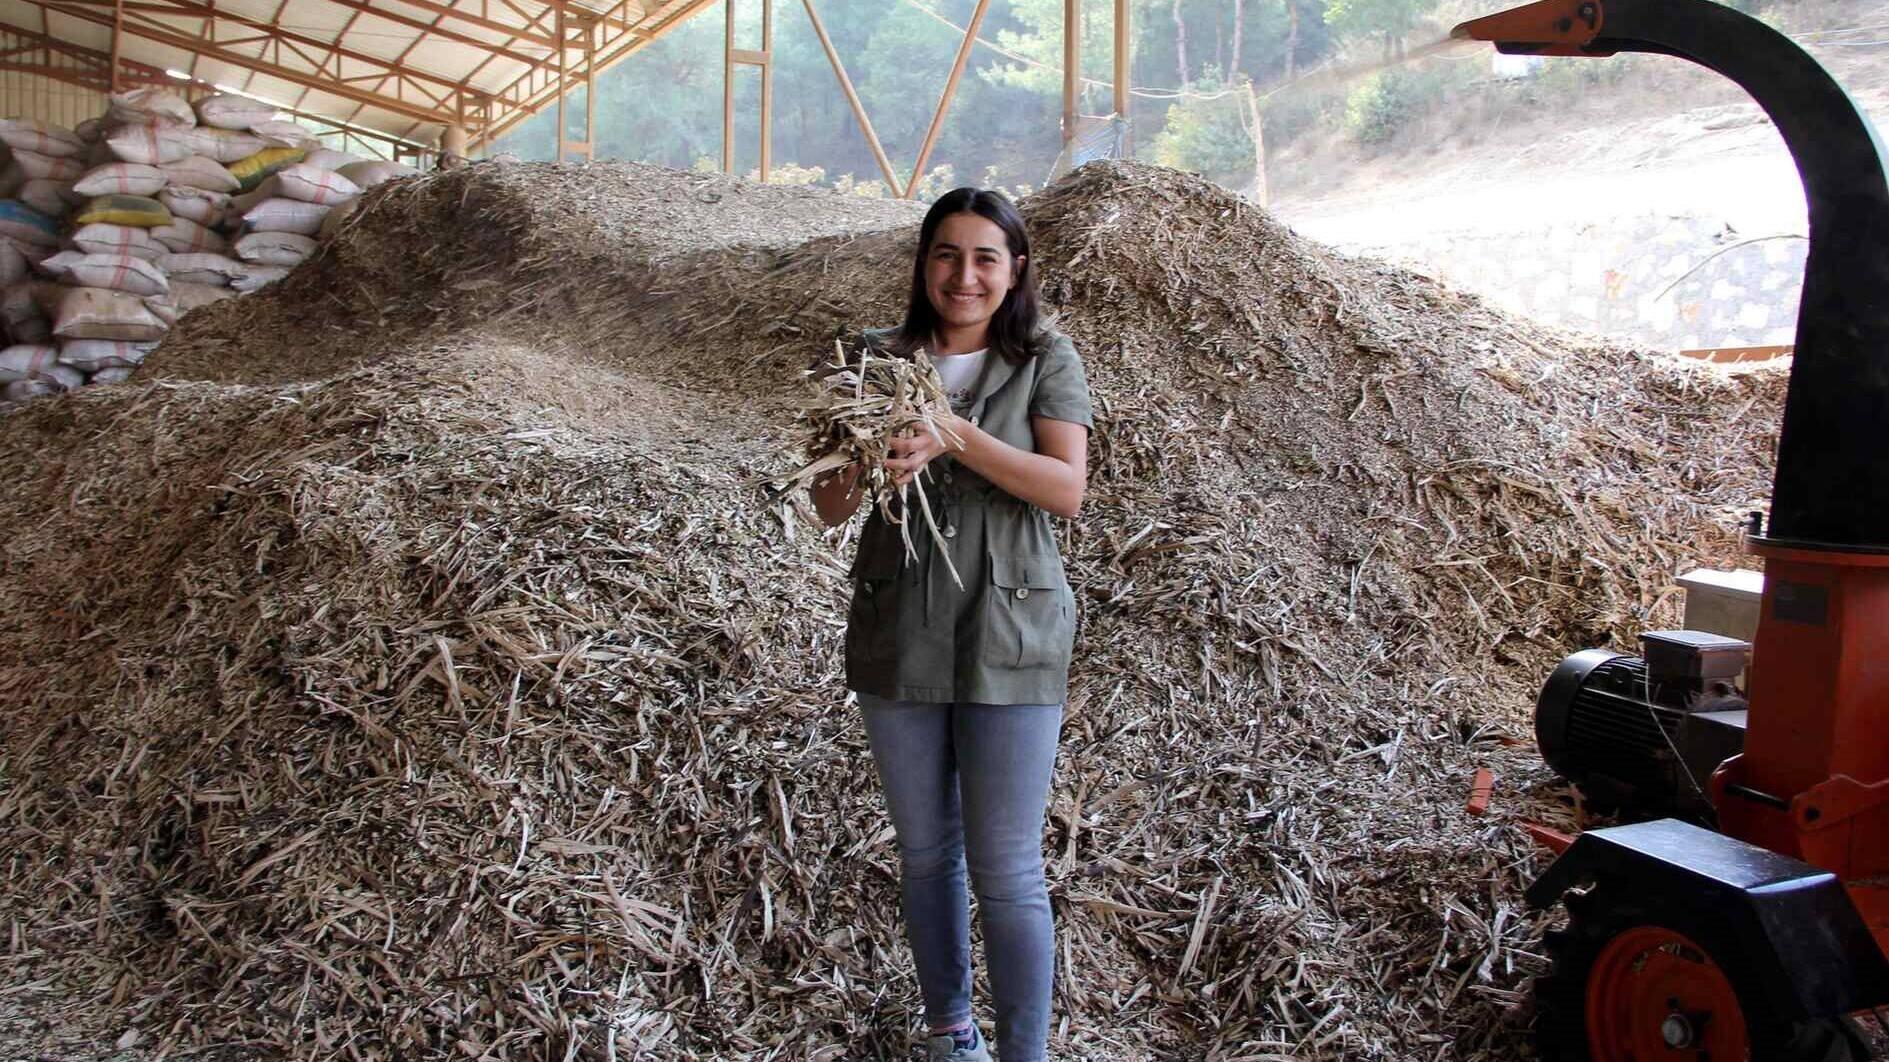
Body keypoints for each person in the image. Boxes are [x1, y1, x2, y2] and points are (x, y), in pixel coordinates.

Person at [810, 188, 1092, 1062]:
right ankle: (948, 1031)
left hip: (1011, 627)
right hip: (901, 620)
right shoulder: (871, 359)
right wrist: (870, 456)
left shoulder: (1044, 357)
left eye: (983, 258)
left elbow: (1065, 489)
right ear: (923, 263)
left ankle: (1022, 1054)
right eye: (944, 255)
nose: (962, 276)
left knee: (1006, 866)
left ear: (1013, 273)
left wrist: (952, 434)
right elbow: (825, 506)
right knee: (927, 852)